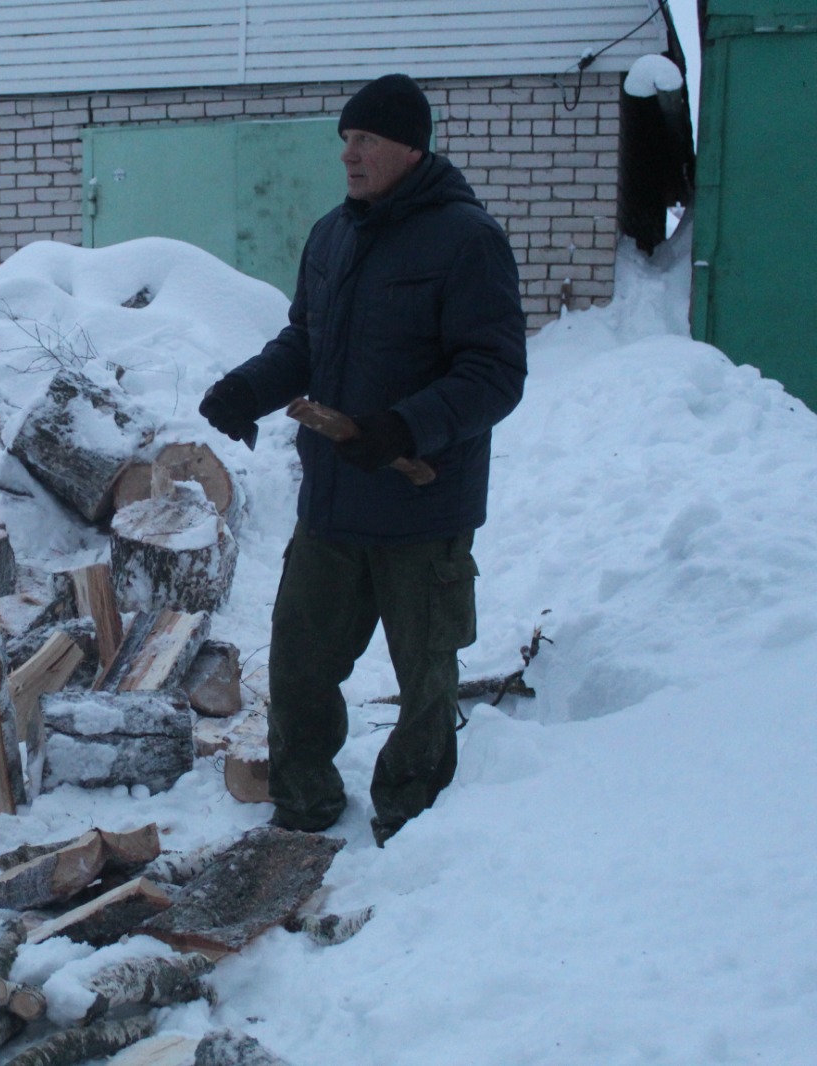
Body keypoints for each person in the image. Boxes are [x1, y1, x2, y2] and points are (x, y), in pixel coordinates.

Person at [199, 74, 527, 847]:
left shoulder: (467, 240)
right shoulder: (332, 235)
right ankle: (305, 801)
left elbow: (494, 372)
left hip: (423, 507)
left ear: (411, 147)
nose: (348, 154)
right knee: (299, 665)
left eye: (365, 140)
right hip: (335, 505)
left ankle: (412, 815)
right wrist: (249, 388)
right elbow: (306, 343)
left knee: (425, 679)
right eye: (344, 139)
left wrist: (405, 428)